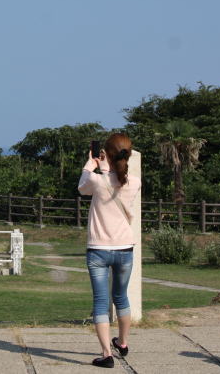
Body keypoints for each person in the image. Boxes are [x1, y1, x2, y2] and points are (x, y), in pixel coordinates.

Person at [78, 133, 141, 368]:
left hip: (98, 249)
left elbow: (82, 188)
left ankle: (106, 354)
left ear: (107, 155)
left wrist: (91, 164)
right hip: (124, 248)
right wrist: (107, 168)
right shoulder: (135, 182)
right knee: (121, 297)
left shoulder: (97, 180)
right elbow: (116, 182)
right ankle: (122, 343)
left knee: (100, 301)